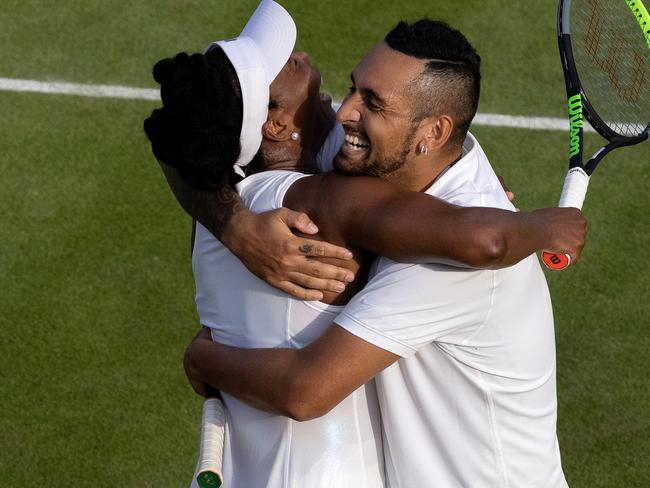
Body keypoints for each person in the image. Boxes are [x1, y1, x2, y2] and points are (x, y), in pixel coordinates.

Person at [182, 17, 576, 488]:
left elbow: (305, 390)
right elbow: (183, 141)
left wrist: (202, 360)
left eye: (372, 102)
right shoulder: (371, 153)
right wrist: (235, 225)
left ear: (432, 131)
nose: (345, 111)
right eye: (353, 89)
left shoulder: (451, 264)